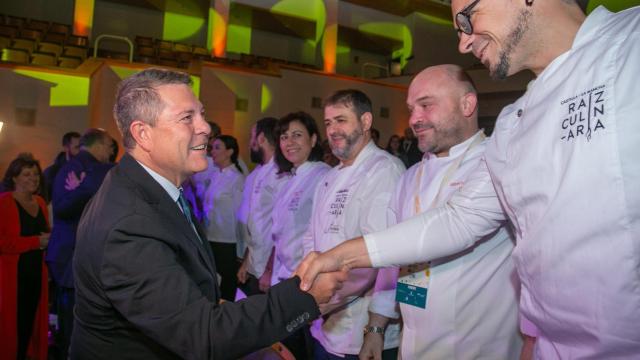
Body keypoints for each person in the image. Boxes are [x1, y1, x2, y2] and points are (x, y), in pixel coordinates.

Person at [297, 2, 640, 358]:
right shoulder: (514, 122)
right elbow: (459, 220)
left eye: (467, 17)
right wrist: (343, 257)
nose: (463, 43)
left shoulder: (631, 42)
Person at [71, 68, 346, 360]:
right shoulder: (130, 223)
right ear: (143, 134)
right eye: (187, 118)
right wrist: (304, 296)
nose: (205, 128)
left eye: (201, 115)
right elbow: (201, 335)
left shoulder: (151, 192)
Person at [392, 64, 521, 358]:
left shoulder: (498, 163)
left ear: (467, 104)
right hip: (411, 343)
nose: (414, 119)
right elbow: (397, 264)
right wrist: (379, 326)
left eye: (426, 105)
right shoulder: (409, 176)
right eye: (411, 108)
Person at [304, 89, 405, 359]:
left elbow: (387, 257)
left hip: (360, 331)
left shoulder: (384, 170)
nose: (333, 130)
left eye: (341, 120)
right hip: (324, 322)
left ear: (366, 121)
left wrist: (376, 328)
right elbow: (311, 239)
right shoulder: (330, 177)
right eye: (328, 123)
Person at [46, 128, 115, 360]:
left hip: (72, 252)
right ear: (97, 145)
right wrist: (86, 188)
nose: (111, 151)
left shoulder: (81, 167)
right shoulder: (84, 167)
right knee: (72, 319)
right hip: (71, 253)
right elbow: (63, 208)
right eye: (108, 146)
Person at [270, 111, 331, 359]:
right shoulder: (290, 178)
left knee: (298, 349)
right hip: (284, 279)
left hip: (304, 281)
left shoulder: (322, 175)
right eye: (284, 137)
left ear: (314, 139)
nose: (289, 142)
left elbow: (320, 235)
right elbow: (280, 234)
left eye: (297, 135)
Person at [0, 153, 50, 360]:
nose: (33, 178)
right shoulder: (5, 203)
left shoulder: (40, 202)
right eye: (26, 174)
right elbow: (3, 242)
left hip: (36, 275)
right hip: (12, 278)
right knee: (12, 327)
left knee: (30, 325)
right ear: (14, 178)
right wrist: (35, 243)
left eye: (36, 174)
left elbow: (44, 234)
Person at [237, 117, 288, 296]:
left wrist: (269, 271)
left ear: (260, 139)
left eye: (252, 136)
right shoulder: (260, 171)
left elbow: (282, 228)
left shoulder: (280, 173)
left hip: (269, 272)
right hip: (254, 264)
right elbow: (256, 224)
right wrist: (246, 262)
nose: (249, 143)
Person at [202, 134, 245, 301]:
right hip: (211, 238)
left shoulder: (237, 179)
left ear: (230, 152)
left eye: (217, 148)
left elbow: (240, 217)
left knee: (226, 287)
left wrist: (241, 250)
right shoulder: (214, 176)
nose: (212, 151)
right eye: (212, 148)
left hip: (227, 242)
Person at [43, 131, 81, 202]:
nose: (80, 151)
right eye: (76, 147)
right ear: (66, 148)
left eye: (81, 147)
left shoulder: (84, 170)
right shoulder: (52, 173)